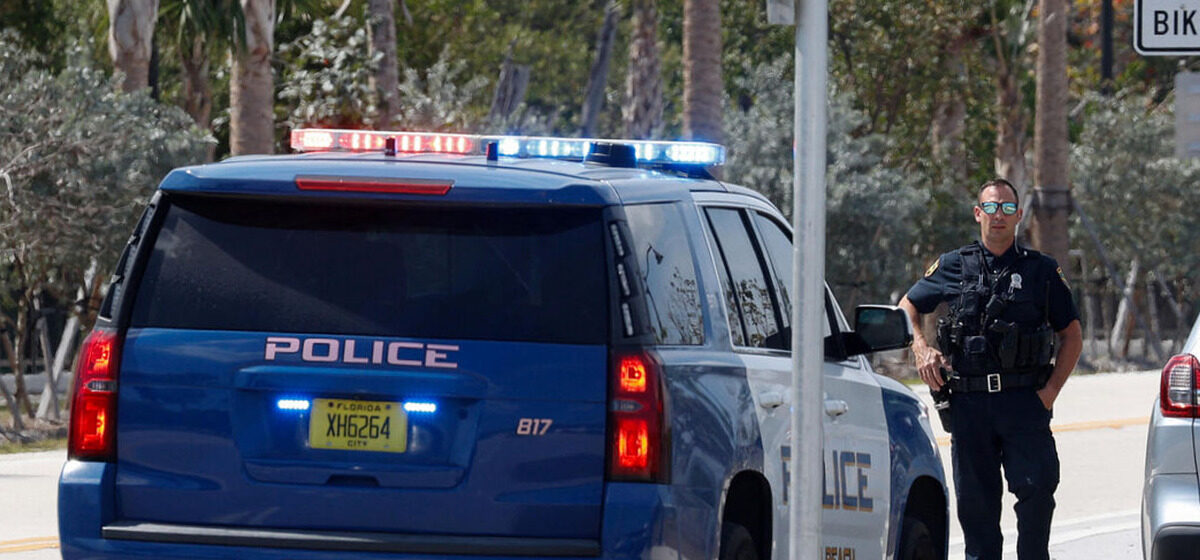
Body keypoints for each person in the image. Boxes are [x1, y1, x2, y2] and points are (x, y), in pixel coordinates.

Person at [898, 178, 1083, 560]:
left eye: (1008, 208)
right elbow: (907, 307)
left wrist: (1049, 394)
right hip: (969, 406)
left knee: (1036, 495)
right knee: (977, 513)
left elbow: (1072, 335)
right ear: (978, 213)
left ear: (1018, 216)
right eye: (992, 207)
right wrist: (921, 348)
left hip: (1023, 402)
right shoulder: (953, 265)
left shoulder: (1041, 271)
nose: (1000, 215)